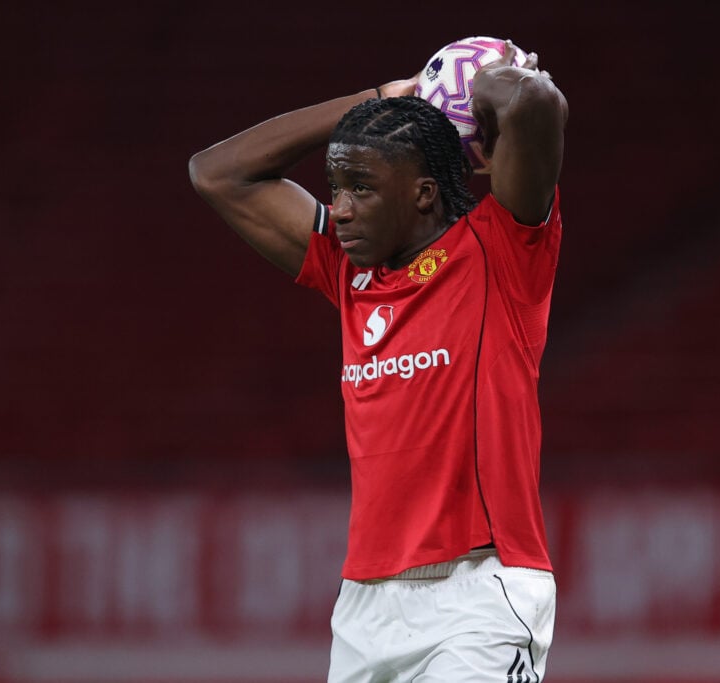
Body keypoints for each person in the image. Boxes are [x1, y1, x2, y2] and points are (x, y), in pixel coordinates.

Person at [189, 39, 568, 683]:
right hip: (364, 608)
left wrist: (486, 77)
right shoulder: (348, 273)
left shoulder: (499, 251)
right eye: (335, 189)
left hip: (479, 593)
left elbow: (536, 104)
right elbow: (215, 172)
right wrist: (381, 99)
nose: (338, 209)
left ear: (423, 194)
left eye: (360, 189)